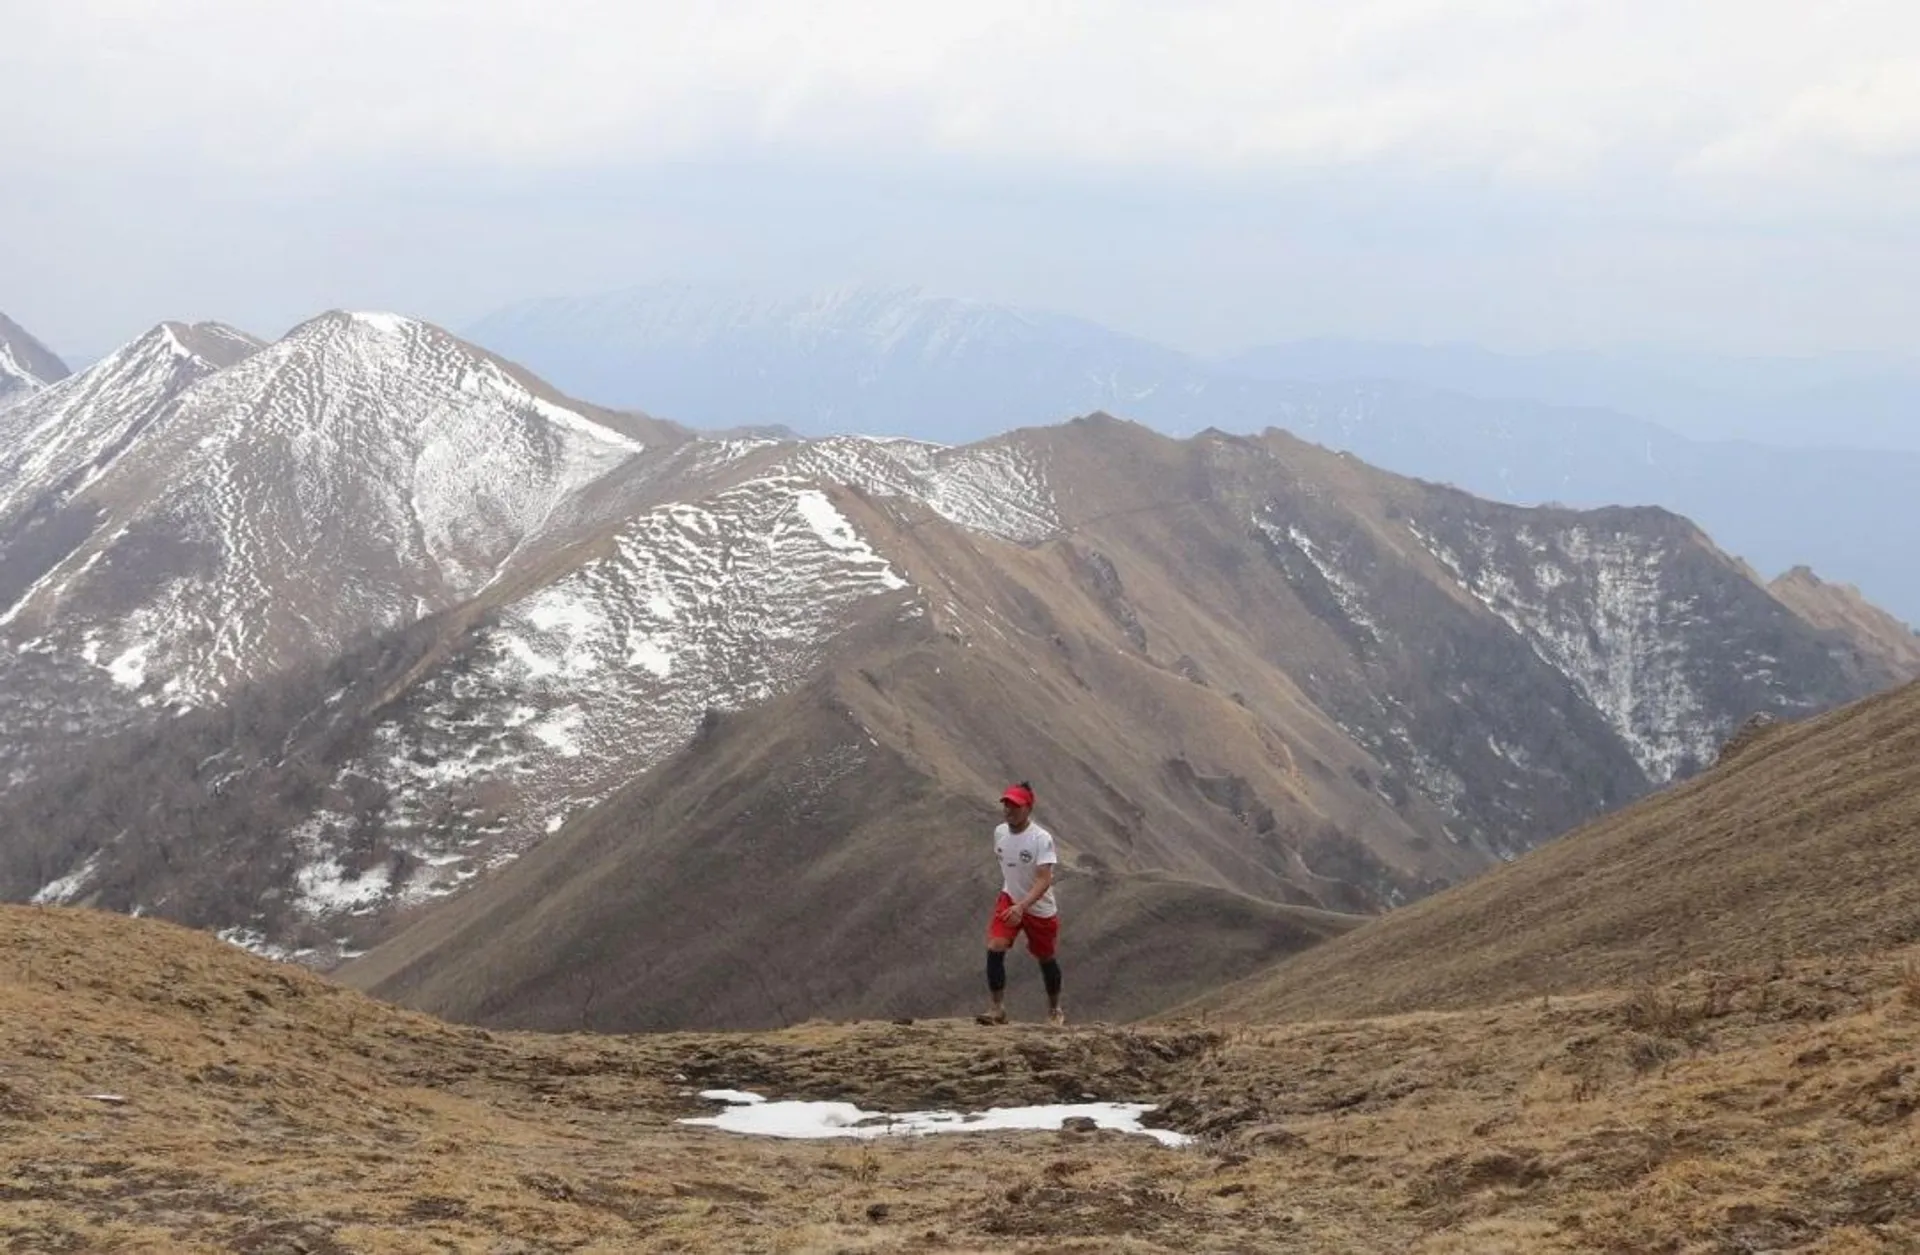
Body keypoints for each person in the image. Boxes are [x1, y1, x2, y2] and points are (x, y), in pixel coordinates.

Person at [978, 781, 1065, 1027]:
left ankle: (1054, 1010)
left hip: (1039, 907)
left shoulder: (1041, 838)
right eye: (1006, 804)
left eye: (1015, 806)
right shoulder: (999, 833)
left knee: (1046, 957)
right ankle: (997, 1009)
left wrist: (1023, 906)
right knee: (995, 946)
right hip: (1010, 898)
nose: (1009, 810)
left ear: (1028, 808)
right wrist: (1013, 900)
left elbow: (1044, 879)